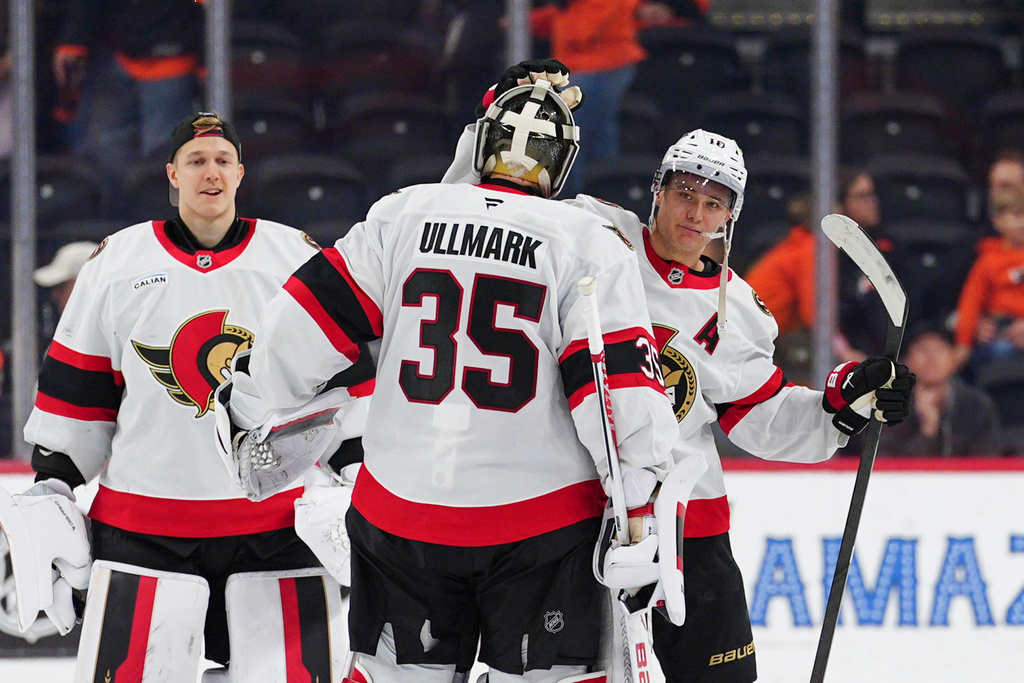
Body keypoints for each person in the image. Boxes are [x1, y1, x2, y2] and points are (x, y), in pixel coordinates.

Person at [442, 63, 916, 683]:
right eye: (685, 193)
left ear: (730, 217)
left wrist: (842, 402)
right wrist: (503, 112)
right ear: (658, 190)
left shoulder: (738, 309)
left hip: (686, 524)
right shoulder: (595, 236)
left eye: (713, 202)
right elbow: (482, 209)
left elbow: (761, 417)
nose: (695, 213)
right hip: (572, 510)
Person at [218, 79, 683, 682]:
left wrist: (255, 397)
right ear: (561, 162)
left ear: (481, 145)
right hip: (538, 523)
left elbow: (297, 329)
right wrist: (639, 503)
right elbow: (616, 393)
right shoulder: (587, 242)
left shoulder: (403, 213)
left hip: (400, 516)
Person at [0, 112, 350, 681]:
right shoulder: (116, 262)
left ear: (241, 173)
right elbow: (79, 388)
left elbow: (338, 381)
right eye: (195, 161)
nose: (209, 173)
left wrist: (355, 468)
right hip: (142, 534)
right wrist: (55, 480)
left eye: (221, 161)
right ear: (172, 174)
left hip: (274, 533)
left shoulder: (295, 259)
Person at [746, 167, 892, 362]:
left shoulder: (810, 244)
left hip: (761, 337)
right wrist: (845, 353)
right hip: (748, 340)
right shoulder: (813, 247)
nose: (873, 203)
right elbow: (815, 313)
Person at [52, 0, 201, 185]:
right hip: (117, 51)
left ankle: (159, 208)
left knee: (163, 155)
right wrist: (74, 40)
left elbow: (208, 10)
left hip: (172, 56)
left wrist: (205, 58)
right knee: (103, 150)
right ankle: (114, 210)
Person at [530, 0, 647, 197]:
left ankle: (569, 195)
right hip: (589, 67)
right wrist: (523, 22)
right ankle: (604, 193)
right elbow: (561, 18)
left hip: (601, 67)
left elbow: (581, 34)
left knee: (569, 132)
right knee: (600, 134)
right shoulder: (576, 5)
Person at [877, 322, 1002, 457]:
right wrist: (928, 430)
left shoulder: (976, 404)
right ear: (907, 360)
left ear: (954, 357)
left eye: (940, 350)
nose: (932, 359)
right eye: (923, 350)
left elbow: (988, 459)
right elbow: (887, 467)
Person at [954, 187, 1024, 376]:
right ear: (998, 222)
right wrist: (963, 344)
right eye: (1018, 215)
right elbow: (970, 303)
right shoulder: (988, 261)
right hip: (1000, 332)